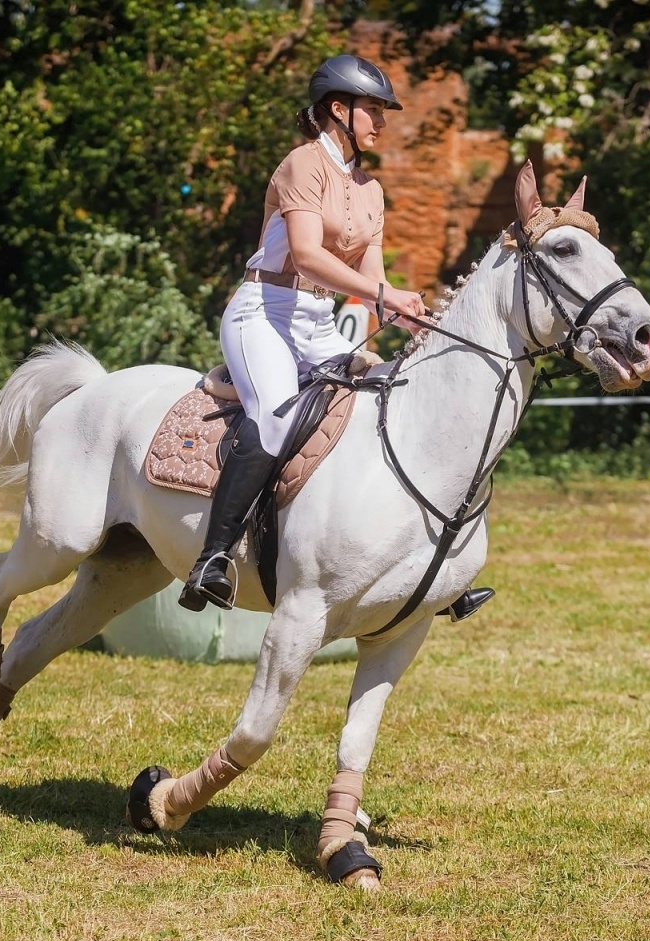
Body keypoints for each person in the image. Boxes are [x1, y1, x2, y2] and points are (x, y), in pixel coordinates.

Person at [179, 54, 428, 612]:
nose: (381, 123)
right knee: (276, 412)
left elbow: (372, 281)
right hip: (264, 312)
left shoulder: (371, 189)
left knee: (393, 396)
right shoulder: (302, 164)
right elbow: (308, 257)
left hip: (318, 323)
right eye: (373, 111)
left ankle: (420, 564)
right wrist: (384, 297)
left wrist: (411, 316)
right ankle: (212, 559)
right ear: (338, 110)